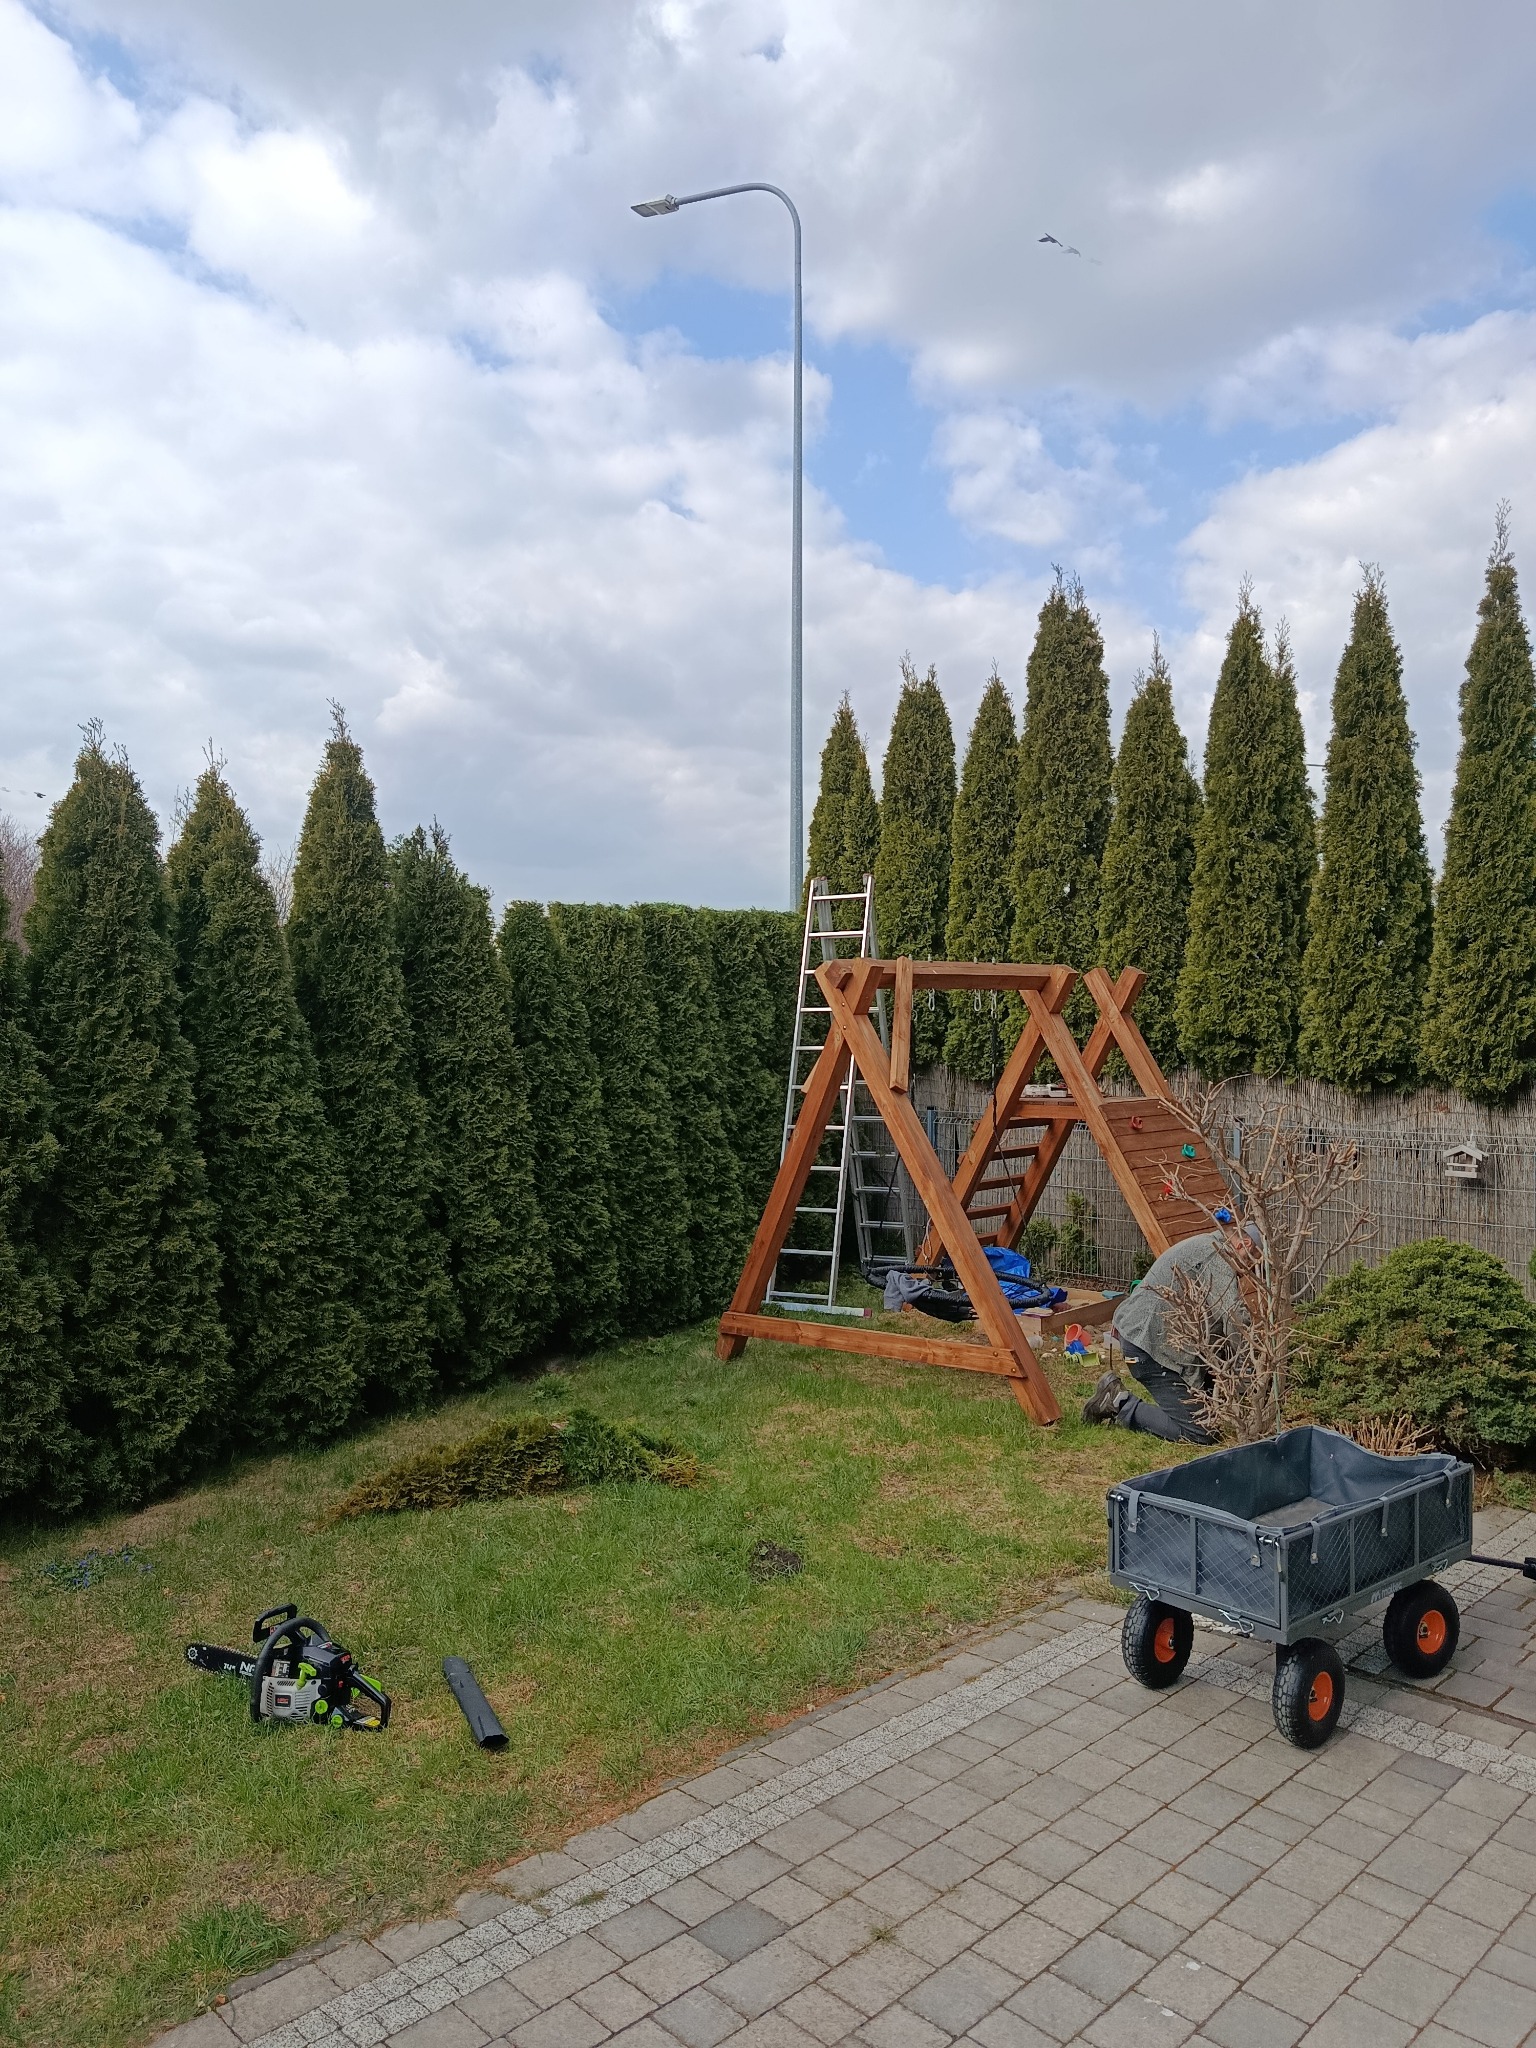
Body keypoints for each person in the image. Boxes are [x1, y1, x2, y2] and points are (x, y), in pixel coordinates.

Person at [1081, 1221, 1252, 1442]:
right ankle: (1118, 1402)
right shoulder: (1217, 1257)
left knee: (1211, 1411)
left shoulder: (1208, 1245)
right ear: (1244, 1244)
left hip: (1157, 1340)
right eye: (1254, 1262)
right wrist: (1250, 1370)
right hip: (1148, 1347)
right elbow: (1235, 1317)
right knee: (1202, 1433)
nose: (1252, 1272)